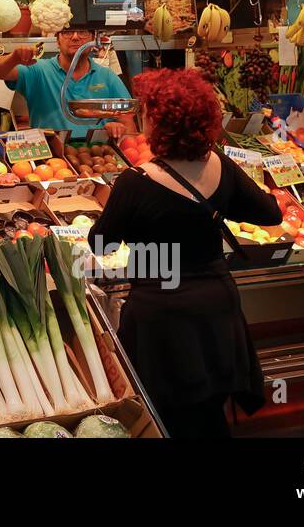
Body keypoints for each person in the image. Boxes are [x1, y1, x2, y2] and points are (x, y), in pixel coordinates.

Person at [90, 69, 281, 438]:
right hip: (216, 308)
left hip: (161, 316)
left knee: (165, 419)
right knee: (209, 417)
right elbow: (270, 213)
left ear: (158, 124)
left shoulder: (136, 182)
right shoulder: (220, 166)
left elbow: (102, 244)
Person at [0, 28, 135, 140]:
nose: (75, 37)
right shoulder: (38, 69)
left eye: (82, 32)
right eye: (67, 32)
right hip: (49, 162)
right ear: (58, 41)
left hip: (96, 159)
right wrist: (14, 57)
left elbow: (128, 123)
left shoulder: (107, 76)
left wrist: (118, 129)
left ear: (93, 41)